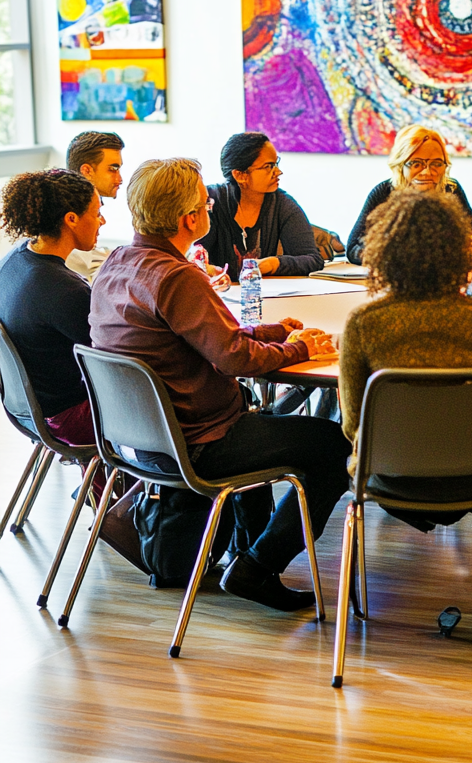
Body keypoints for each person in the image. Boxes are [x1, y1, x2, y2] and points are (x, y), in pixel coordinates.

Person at [90, 157, 349, 611]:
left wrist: (272, 333)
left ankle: (249, 548)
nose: (211, 208)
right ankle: (256, 566)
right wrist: (302, 348)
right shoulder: (177, 277)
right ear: (191, 219)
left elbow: (208, 338)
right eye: (207, 203)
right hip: (200, 442)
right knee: (335, 446)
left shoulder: (120, 262)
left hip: (140, 440)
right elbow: (234, 360)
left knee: (271, 425)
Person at [340, 188, 472, 529]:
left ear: (384, 252)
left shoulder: (364, 323)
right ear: (458, 251)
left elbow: (351, 424)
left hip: (390, 474)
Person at [0, 169, 104, 445]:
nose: (102, 221)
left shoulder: (14, 261)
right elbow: (115, 353)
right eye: (96, 213)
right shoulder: (64, 290)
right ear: (71, 219)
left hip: (28, 409)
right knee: (172, 410)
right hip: (68, 417)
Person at [345, 125, 472, 265]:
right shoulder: (384, 193)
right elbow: (353, 249)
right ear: (400, 164)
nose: (427, 172)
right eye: (416, 163)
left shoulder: (451, 190)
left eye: (436, 163)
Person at [199, 131, 324, 282]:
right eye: (268, 166)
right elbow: (191, 258)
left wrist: (273, 263)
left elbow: (312, 259)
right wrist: (208, 269)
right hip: (215, 296)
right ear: (240, 175)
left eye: (276, 163)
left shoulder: (282, 205)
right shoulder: (210, 202)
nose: (278, 172)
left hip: (259, 297)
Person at [64, 130, 124, 281]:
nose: (120, 179)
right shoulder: (66, 214)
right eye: (113, 169)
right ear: (86, 171)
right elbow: (93, 264)